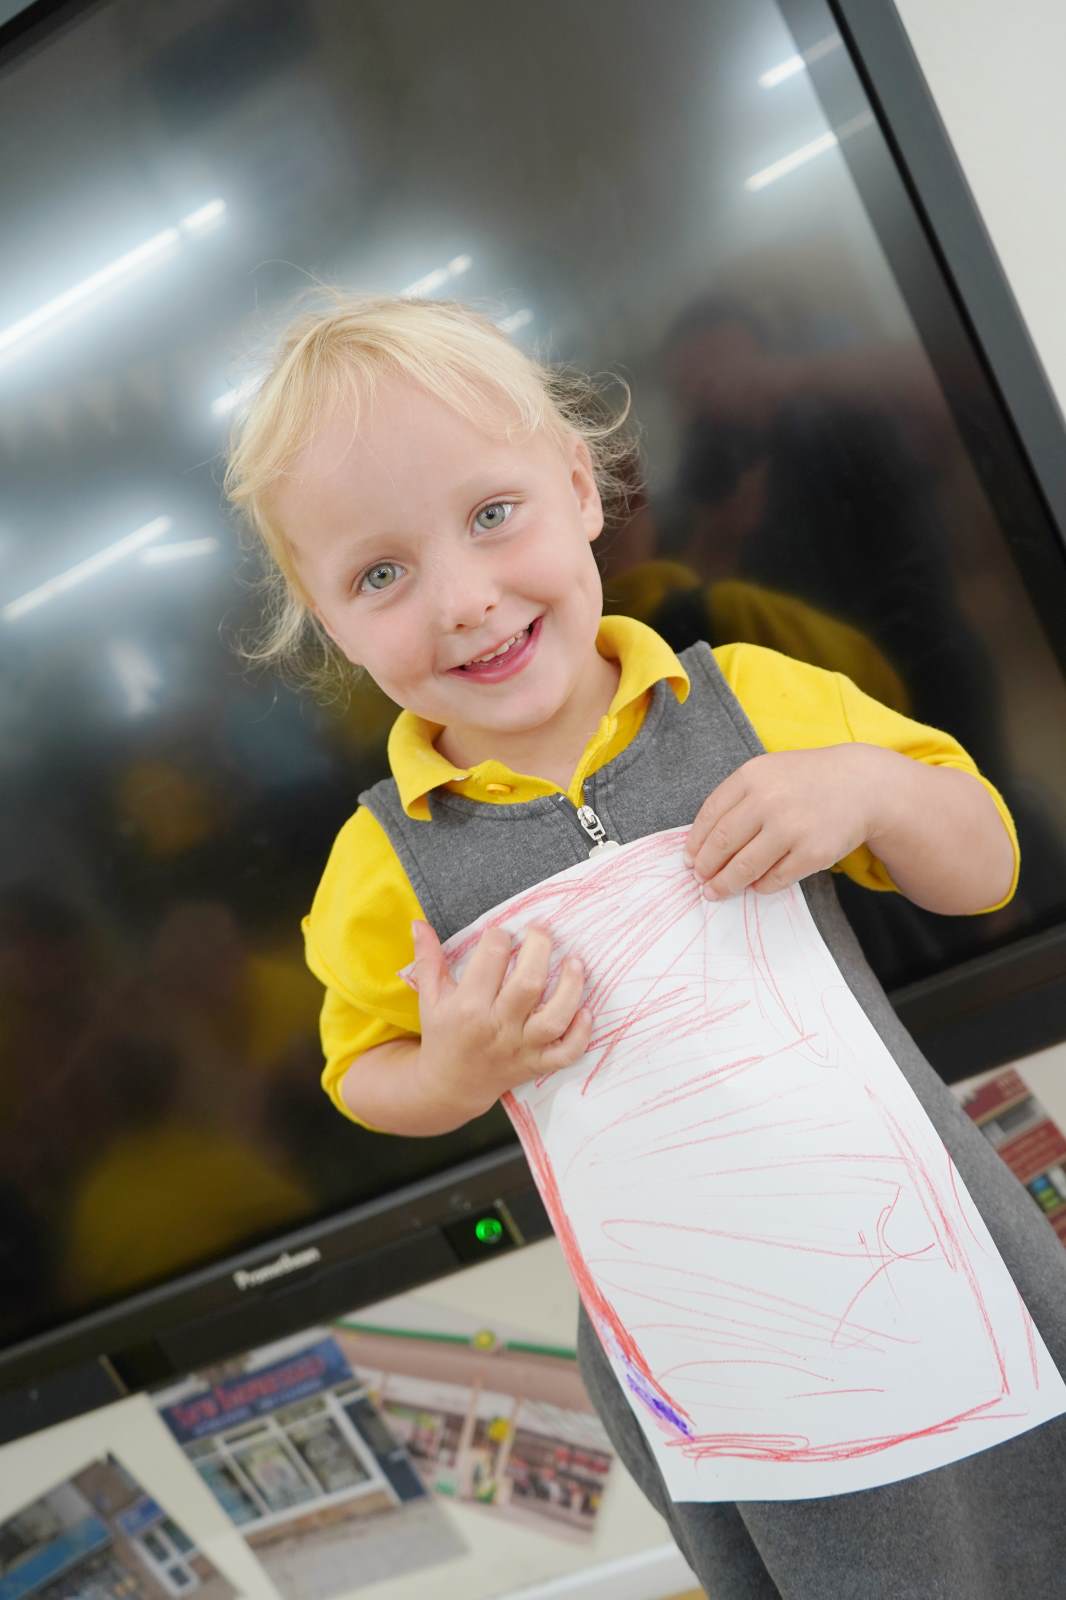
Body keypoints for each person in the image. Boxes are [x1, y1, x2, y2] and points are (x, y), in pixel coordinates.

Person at [224, 293, 1066, 1598]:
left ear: (579, 488)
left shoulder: (755, 695)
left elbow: (984, 870)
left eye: (491, 514)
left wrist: (870, 789)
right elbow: (361, 1072)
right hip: (713, 1351)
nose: (463, 601)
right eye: (379, 575)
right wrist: (448, 1069)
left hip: (932, 1259)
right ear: (326, 618)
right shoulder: (381, 866)